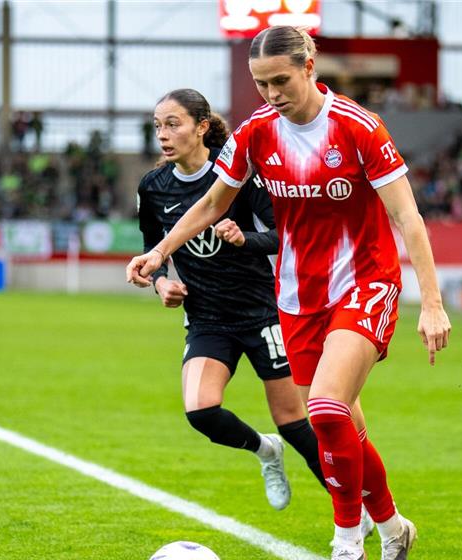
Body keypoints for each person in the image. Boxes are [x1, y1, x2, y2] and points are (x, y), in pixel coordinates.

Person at [127, 26, 451, 560]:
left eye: (280, 80)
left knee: (322, 408)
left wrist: (431, 301)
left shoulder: (358, 127)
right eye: (260, 84)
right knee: (345, 422)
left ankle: (347, 542)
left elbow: (407, 217)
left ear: (309, 65)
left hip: (366, 282)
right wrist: (159, 253)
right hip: (299, 296)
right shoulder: (255, 134)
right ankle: (395, 531)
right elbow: (210, 203)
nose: (271, 92)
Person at [139, 88, 379, 526]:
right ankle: (264, 450)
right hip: (208, 318)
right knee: (201, 411)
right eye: (158, 126)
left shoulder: (239, 177)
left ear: (202, 128)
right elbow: (152, 247)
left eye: (173, 124)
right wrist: (160, 283)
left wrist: (243, 239)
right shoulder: (153, 188)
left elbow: (285, 234)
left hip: (264, 312)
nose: (163, 135)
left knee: (296, 421)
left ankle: (355, 512)